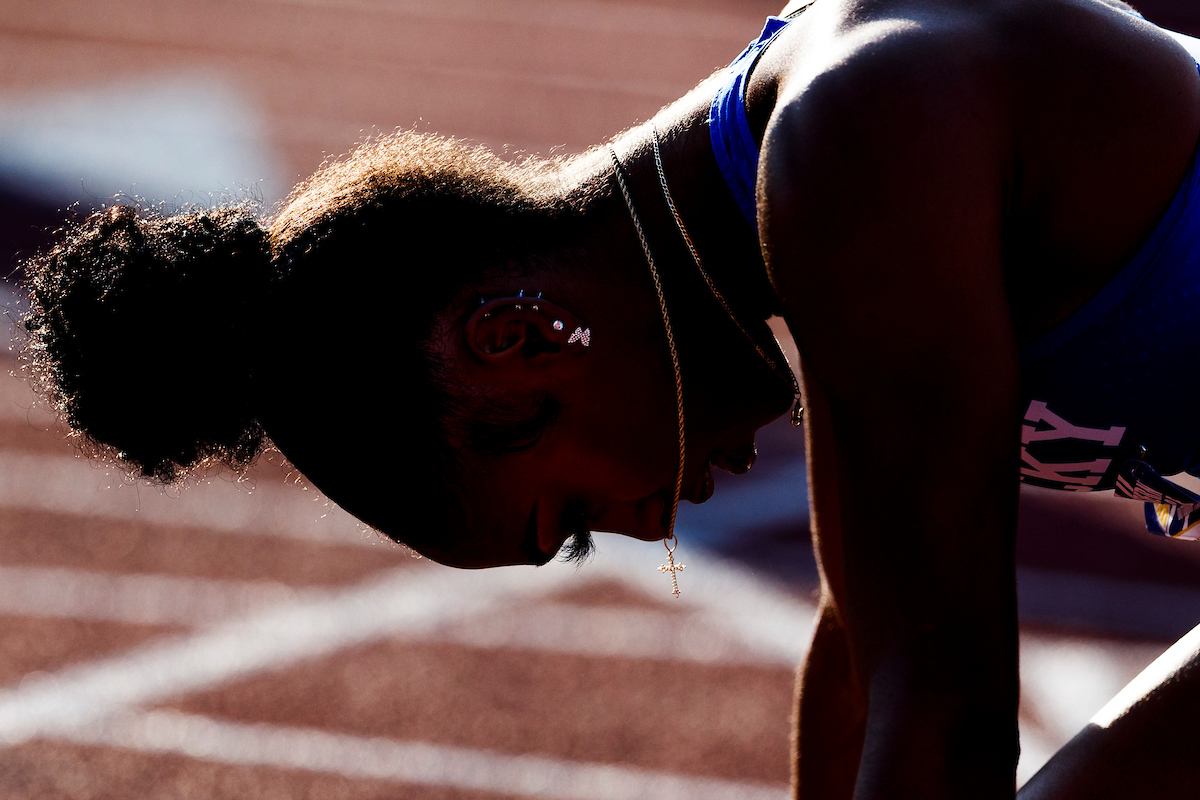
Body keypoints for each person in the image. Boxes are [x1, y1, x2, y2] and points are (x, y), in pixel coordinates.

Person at [18, 0, 1200, 796]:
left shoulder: (857, 143)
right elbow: (867, 640)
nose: (649, 523)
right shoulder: (792, 190)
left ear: (518, 335)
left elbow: (942, 715)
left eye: (572, 514)